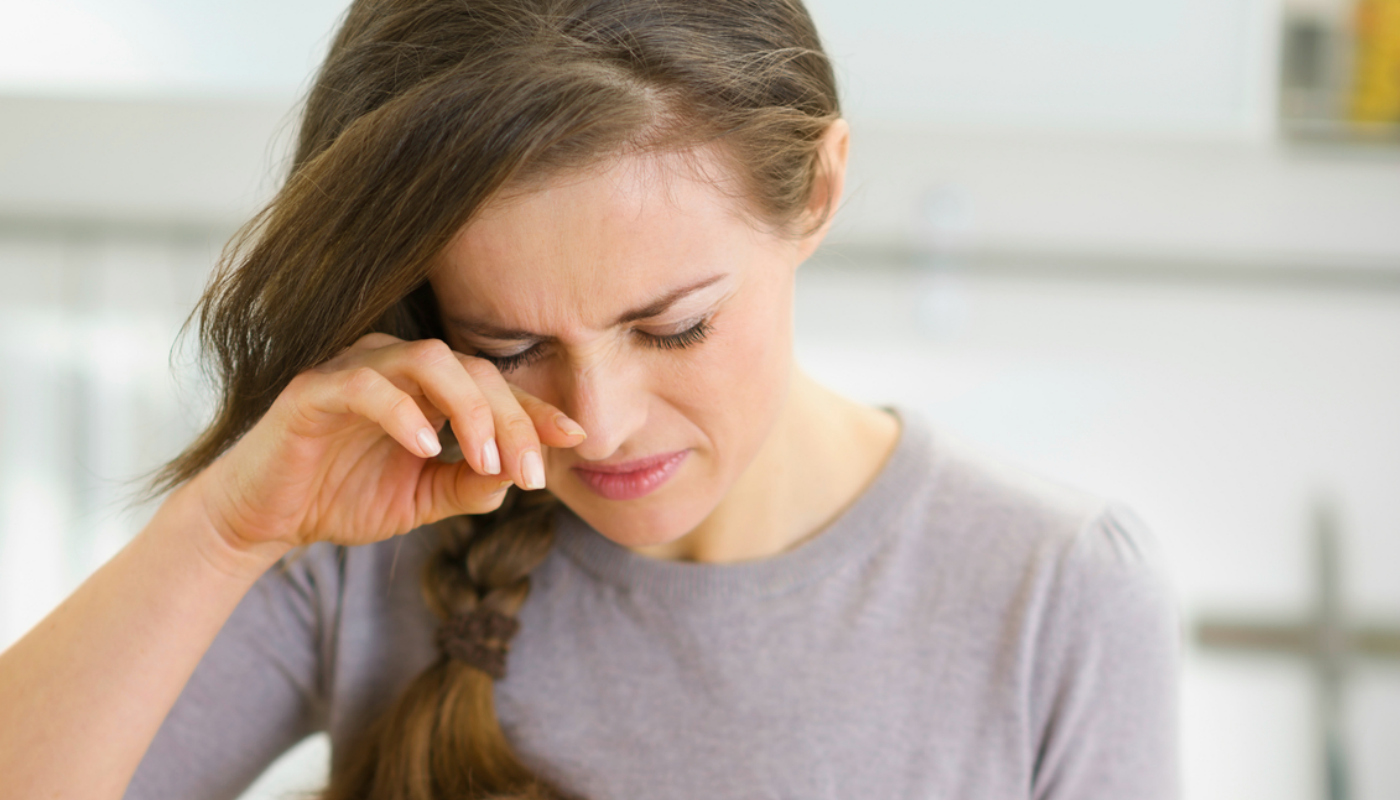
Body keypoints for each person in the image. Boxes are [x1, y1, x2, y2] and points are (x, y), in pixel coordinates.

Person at [0, 0, 1180, 798]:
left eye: (673, 325)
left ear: (815, 192)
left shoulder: (1052, 593)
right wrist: (220, 531)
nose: (599, 421)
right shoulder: (356, 544)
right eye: (508, 344)